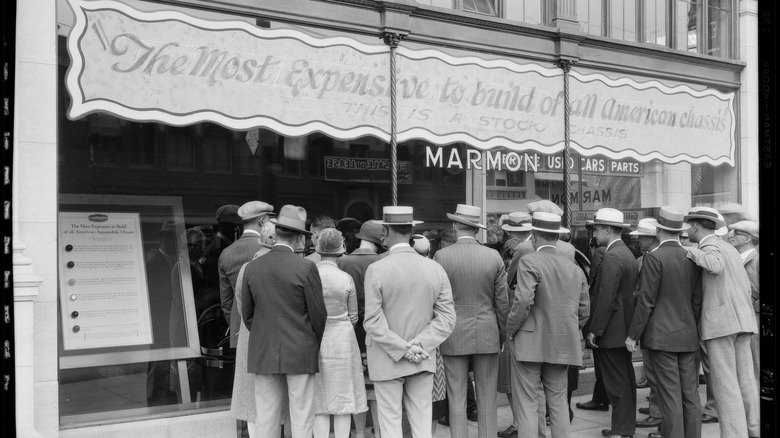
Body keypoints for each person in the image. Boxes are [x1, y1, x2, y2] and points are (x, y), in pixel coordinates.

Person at [363, 205, 456, 438]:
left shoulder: (376, 269)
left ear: (385, 231)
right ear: (411, 230)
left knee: (390, 423)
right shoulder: (435, 269)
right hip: (421, 357)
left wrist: (403, 348)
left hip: (387, 357)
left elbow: (373, 321)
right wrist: (419, 345)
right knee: (422, 424)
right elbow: (447, 318)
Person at [241, 205, 328, 438]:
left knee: (266, 416)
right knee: (302, 416)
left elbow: (247, 314)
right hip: (300, 348)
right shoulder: (306, 267)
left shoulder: (252, 267)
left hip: (264, 347)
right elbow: (318, 315)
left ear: (276, 232)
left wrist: (264, 333)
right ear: (300, 238)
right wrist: (311, 341)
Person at [506, 211, 590, 438]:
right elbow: (584, 311)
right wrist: (568, 329)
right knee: (559, 404)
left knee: (527, 405)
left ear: (534, 235)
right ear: (556, 237)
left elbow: (523, 301)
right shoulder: (574, 269)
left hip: (529, 342)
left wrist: (511, 330)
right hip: (562, 343)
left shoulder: (529, 261)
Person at [625, 207, 703, 438]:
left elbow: (646, 301)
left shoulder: (654, 257)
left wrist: (633, 335)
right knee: (690, 395)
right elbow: (697, 300)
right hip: (688, 335)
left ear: (659, 230)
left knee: (670, 397)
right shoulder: (691, 256)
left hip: (661, 337)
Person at [683, 206, 759, 438]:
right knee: (745, 380)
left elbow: (714, 265)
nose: (687, 230)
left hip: (721, 325)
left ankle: (735, 435)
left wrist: (688, 250)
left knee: (726, 386)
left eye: (689, 226)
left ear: (696, 226)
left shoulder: (709, 246)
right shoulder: (730, 247)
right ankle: (753, 429)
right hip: (743, 321)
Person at [433, 204, 508, 438]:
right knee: (487, 397)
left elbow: (436, 300)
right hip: (487, 331)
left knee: (456, 397)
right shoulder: (493, 256)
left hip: (452, 333)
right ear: (477, 229)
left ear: (455, 226)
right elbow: (502, 303)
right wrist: (502, 334)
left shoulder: (442, 256)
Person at [585, 208, 638, 438]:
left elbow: (605, 298)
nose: (594, 233)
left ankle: (621, 430)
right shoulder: (625, 253)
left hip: (611, 330)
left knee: (617, 384)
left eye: (597, 228)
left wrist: (595, 330)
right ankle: (624, 428)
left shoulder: (613, 256)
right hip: (621, 327)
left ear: (608, 229)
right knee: (624, 381)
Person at [230, 222, 285, 438]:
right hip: (276, 336)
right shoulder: (285, 265)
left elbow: (241, 304)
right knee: (276, 393)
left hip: (250, 335)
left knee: (250, 395)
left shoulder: (246, 268)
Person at [312, 228, 368, 438]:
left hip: (315, 338)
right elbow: (353, 315)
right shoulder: (345, 278)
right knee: (344, 395)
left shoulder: (310, 274)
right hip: (343, 339)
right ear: (341, 249)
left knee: (319, 395)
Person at [337, 219, 384, 437]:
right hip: (377, 328)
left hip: (351, 329)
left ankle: (359, 432)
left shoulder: (344, 262)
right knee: (377, 384)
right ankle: (379, 429)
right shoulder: (383, 261)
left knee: (356, 385)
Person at [219, 201, 274, 349]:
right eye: (270, 219)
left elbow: (226, 301)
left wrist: (236, 324)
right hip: (269, 330)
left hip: (238, 329)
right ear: (263, 220)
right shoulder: (269, 249)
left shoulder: (226, 253)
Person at [627, 218, 663, 430]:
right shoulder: (644, 258)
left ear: (651, 238)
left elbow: (645, 296)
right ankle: (655, 407)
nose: (638, 240)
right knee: (652, 372)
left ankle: (657, 413)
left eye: (641, 236)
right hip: (652, 324)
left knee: (656, 372)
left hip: (653, 325)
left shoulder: (653, 259)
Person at [728, 220, 760, 387]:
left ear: (748, 239)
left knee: (756, 370)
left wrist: (753, 306)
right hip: (737, 321)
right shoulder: (732, 257)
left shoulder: (757, 259)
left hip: (754, 322)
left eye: (736, 233)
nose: (730, 235)